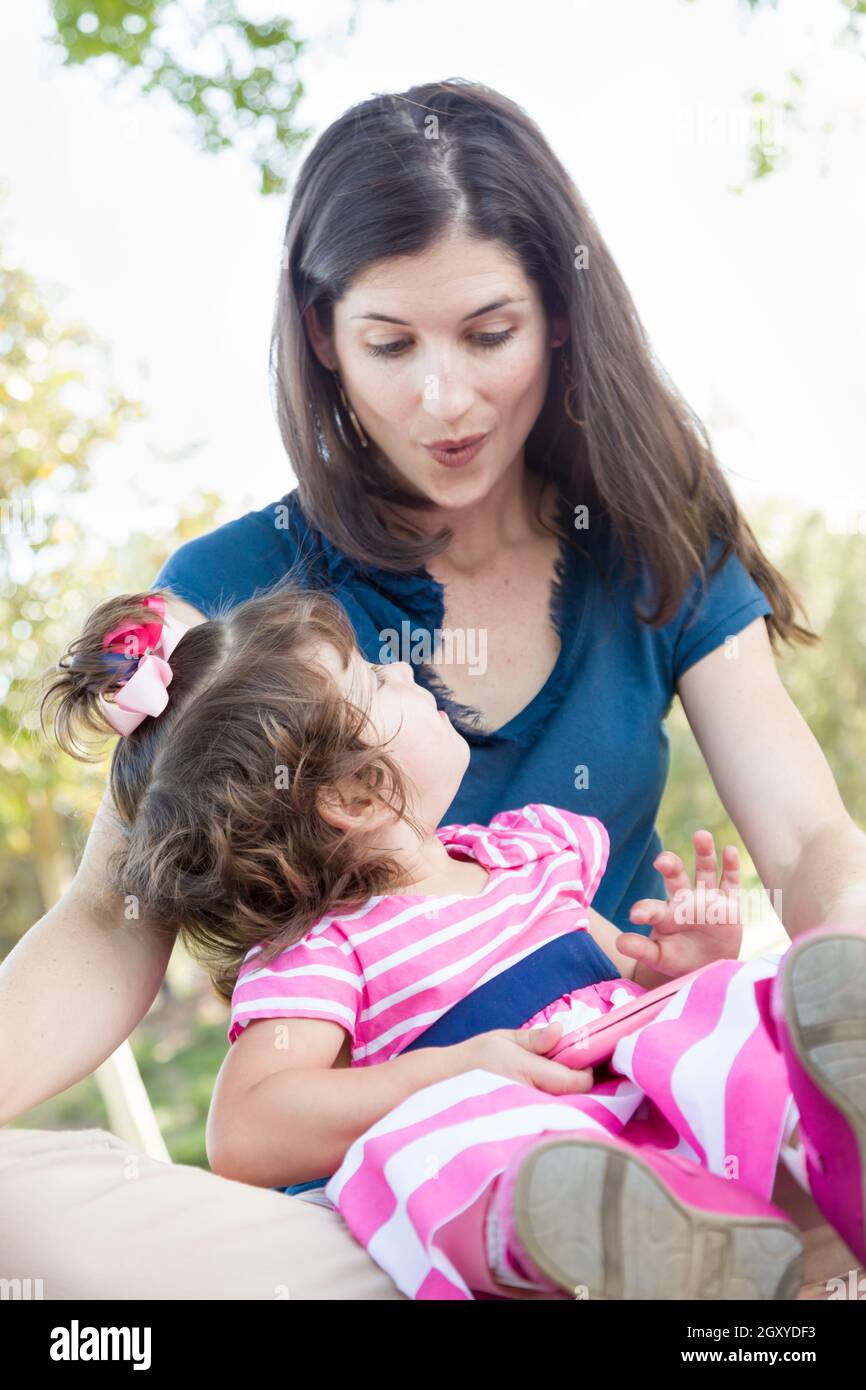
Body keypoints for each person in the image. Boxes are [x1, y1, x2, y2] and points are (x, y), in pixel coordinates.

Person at [1, 78, 865, 1299]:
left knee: (757, 1042)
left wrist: (817, 975)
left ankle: (757, 1212)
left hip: (628, 1092)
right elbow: (108, 917)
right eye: (389, 344)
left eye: (488, 333)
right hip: (407, 1181)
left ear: (558, 315)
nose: (442, 400)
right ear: (320, 334)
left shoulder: (649, 542)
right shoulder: (243, 599)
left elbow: (810, 836)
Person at [38, 579, 859, 1301]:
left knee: (741, 1002)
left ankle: (828, 1131)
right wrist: (454, 1070)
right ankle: (648, 1246)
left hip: (646, 1093)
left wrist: (684, 968)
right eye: (373, 679)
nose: (403, 671)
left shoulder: (529, 856)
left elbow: (627, 987)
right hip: (536, 1142)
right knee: (443, 1150)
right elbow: (245, 1129)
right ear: (355, 795)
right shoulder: (325, 951)